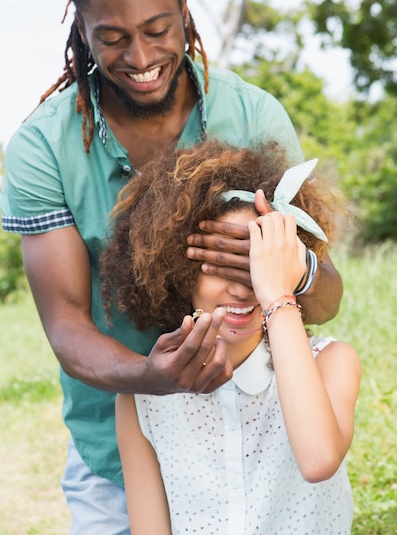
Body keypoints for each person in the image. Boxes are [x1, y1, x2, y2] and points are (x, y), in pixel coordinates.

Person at [1, 0, 343, 533]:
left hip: (264, 444)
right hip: (119, 448)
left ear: (184, 11)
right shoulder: (39, 150)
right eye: (112, 37)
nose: (141, 58)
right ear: (80, 26)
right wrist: (147, 380)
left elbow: (326, 294)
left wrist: (295, 272)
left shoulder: (253, 115)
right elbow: (66, 323)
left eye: (158, 29)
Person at [100, 139, 361, 535]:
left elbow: (318, 460)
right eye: (223, 265)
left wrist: (278, 293)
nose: (242, 290)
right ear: (178, 272)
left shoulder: (331, 361)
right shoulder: (141, 400)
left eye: (254, 265)